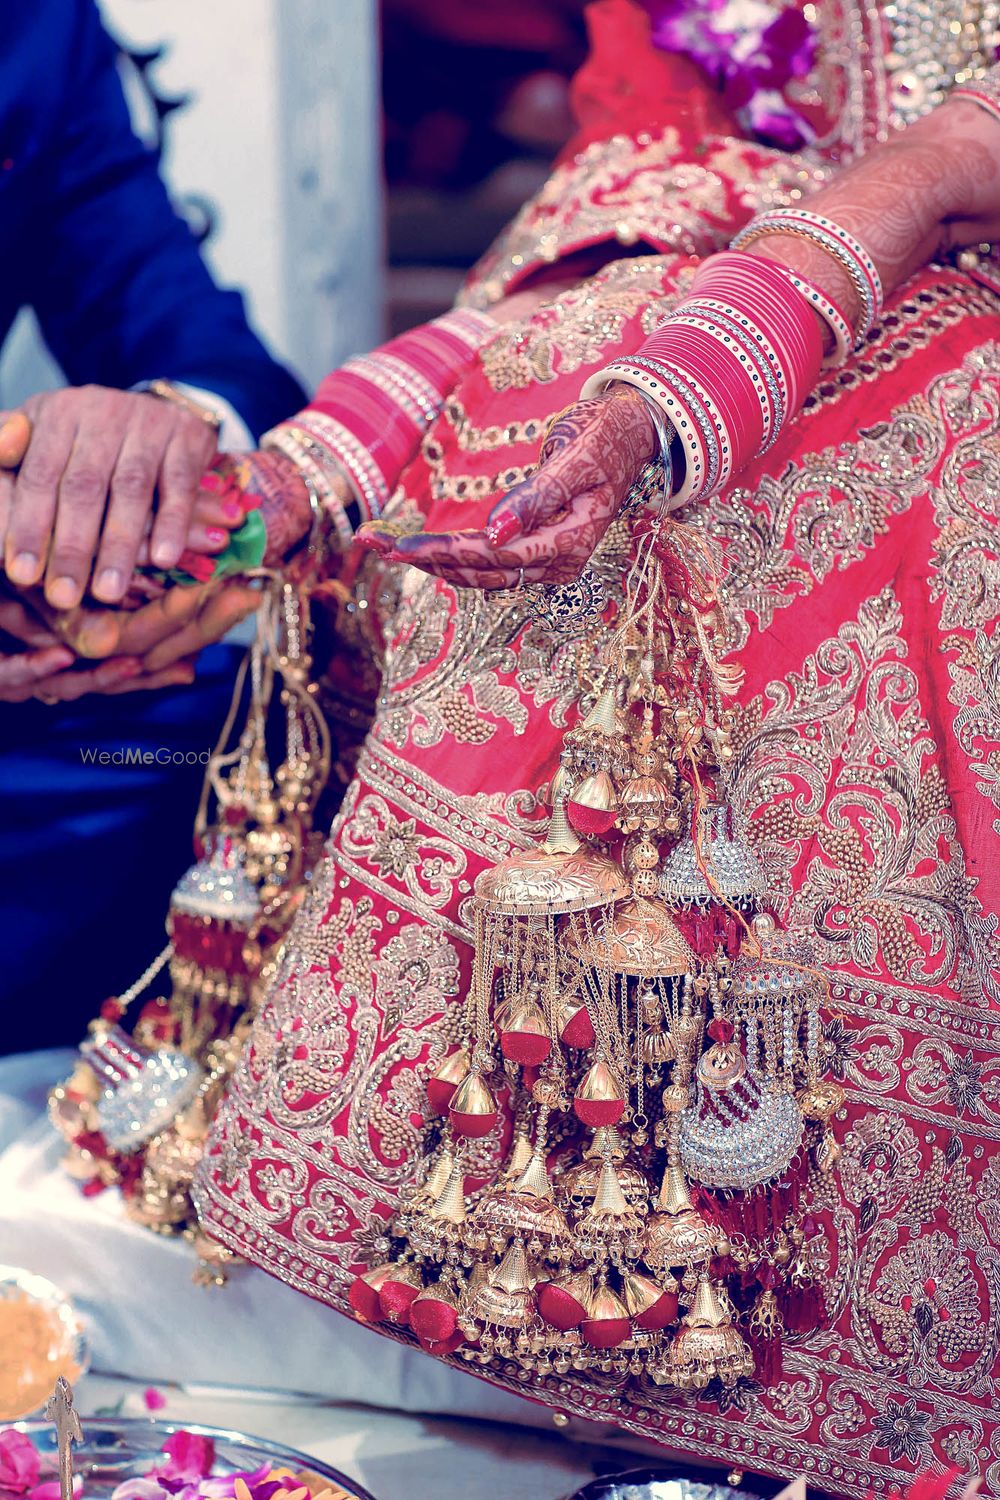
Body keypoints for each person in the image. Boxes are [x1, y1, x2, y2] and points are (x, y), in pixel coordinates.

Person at [37, 0, 1000, 1487]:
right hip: (749, 312)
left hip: (892, 374)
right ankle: (574, 1257)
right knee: (591, 360)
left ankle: (861, 1317)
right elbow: (618, 226)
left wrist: (907, 192)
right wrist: (294, 487)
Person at [0, 0, 304, 1048]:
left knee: (278, 738)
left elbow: (213, 351)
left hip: (19, 699)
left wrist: (159, 450)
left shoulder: (34, 28)